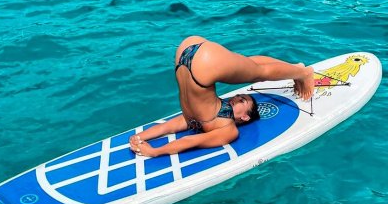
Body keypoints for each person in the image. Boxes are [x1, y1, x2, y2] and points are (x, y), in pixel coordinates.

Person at [129, 35, 314, 158]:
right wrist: (141, 140)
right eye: (240, 97)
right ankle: (300, 71)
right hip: (200, 64)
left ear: (245, 117)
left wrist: (151, 149)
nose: (235, 98)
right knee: (255, 69)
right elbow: (175, 130)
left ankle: (301, 72)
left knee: (256, 69)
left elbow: (188, 139)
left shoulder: (227, 129)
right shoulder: (212, 119)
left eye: (242, 100)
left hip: (186, 55)